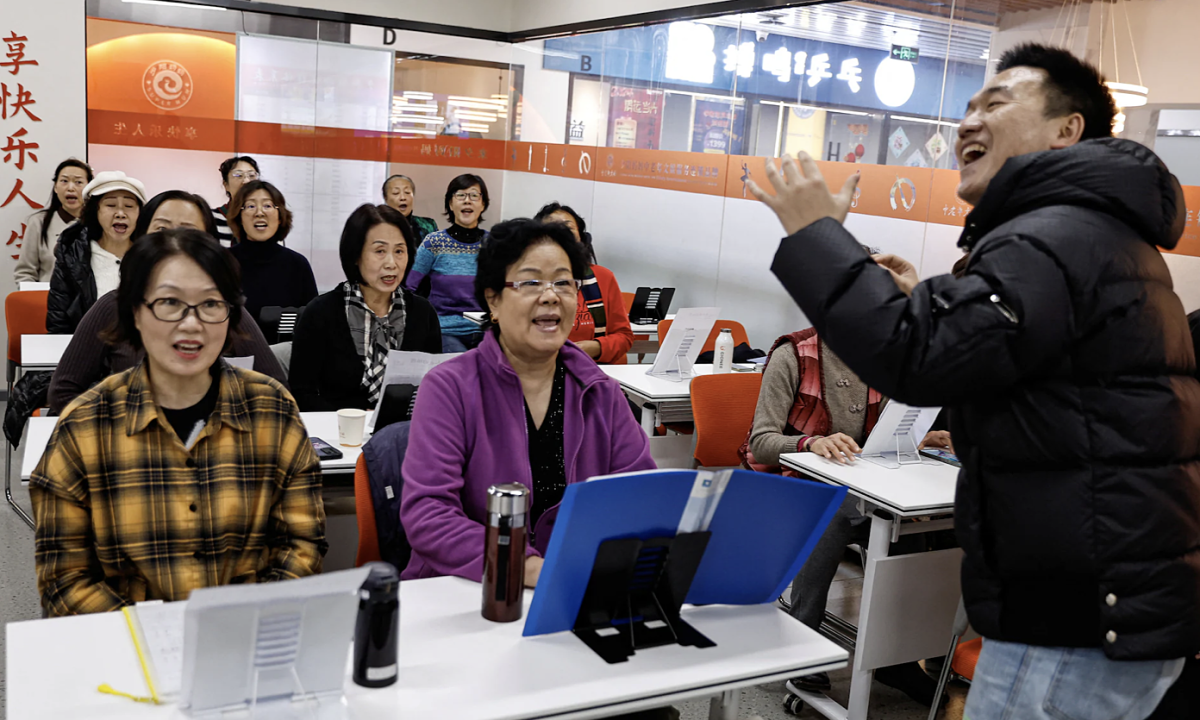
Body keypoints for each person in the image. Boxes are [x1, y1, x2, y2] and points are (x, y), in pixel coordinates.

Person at [749, 43, 1198, 719]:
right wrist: (922, 297)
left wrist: (816, 234)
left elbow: (916, 360)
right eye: (965, 107)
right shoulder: (1090, 234)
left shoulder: (1052, 236)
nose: (968, 122)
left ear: (1066, 130)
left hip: (1073, 614)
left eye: (996, 103)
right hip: (1106, 602)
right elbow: (994, 352)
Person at [30, 228, 326, 616]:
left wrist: (238, 627)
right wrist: (159, 636)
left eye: (210, 304)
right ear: (135, 311)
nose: (192, 324)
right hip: (127, 656)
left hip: (243, 644)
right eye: (169, 302)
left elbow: (302, 544)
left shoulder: (273, 412)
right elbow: (64, 580)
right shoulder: (83, 428)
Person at [400, 218, 654, 584]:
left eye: (563, 282)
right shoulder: (448, 387)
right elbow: (429, 515)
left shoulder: (600, 391)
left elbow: (640, 496)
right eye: (531, 281)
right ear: (493, 299)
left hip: (573, 586)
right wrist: (530, 567)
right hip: (468, 589)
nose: (550, 295)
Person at [738, 323, 947, 707]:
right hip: (791, 483)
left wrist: (916, 437)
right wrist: (811, 441)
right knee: (829, 516)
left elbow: (877, 436)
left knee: (916, 529)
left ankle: (895, 656)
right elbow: (761, 442)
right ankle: (800, 643)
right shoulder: (793, 356)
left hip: (857, 484)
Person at [47, 190, 287, 415]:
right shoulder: (114, 306)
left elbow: (278, 391)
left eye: (189, 233)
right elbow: (64, 392)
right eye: (161, 230)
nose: (174, 243)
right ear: (140, 239)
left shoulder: (224, 309)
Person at [289, 204, 441, 412]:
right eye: (379, 251)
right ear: (355, 256)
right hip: (338, 433)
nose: (391, 263)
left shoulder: (423, 313)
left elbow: (433, 389)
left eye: (399, 251)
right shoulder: (321, 313)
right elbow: (301, 393)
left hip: (404, 434)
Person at [46, 171, 146, 334]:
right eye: (111, 205)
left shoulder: (151, 255)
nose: (120, 213)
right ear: (95, 211)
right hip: (86, 350)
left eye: (129, 206)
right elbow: (58, 322)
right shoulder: (73, 255)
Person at [534, 203, 635, 364]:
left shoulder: (603, 277)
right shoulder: (527, 281)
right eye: (553, 226)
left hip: (594, 372)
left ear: (581, 238)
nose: (562, 233)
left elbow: (624, 335)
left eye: (568, 227)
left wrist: (596, 347)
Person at [404, 174, 490, 353]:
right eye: (460, 195)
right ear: (451, 204)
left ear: (483, 204)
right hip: (446, 331)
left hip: (486, 329)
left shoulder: (493, 243)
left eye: (474, 195)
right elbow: (409, 289)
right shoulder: (434, 242)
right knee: (462, 365)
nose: (467, 201)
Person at [227, 180, 318, 325]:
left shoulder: (297, 264)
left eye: (267, 205)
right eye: (250, 206)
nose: (259, 213)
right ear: (239, 217)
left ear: (280, 217)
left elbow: (312, 322)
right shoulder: (223, 261)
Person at [14, 158, 93, 283]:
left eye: (78, 182)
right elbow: (25, 273)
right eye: (64, 181)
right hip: (45, 300)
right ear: (55, 187)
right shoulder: (38, 222)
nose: (71, 188)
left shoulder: (98, 224)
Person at [212, 155, 259, 246]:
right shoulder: (212, 218)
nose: (246, 181)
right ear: (226, 185)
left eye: (251, 175)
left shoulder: (266, 217)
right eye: (238, 175)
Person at [382, 174, 438, 245]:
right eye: (396, 193)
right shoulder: (376, 226)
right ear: (385, 198)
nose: (403, 197)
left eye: (407, 192)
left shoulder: (428, 225)